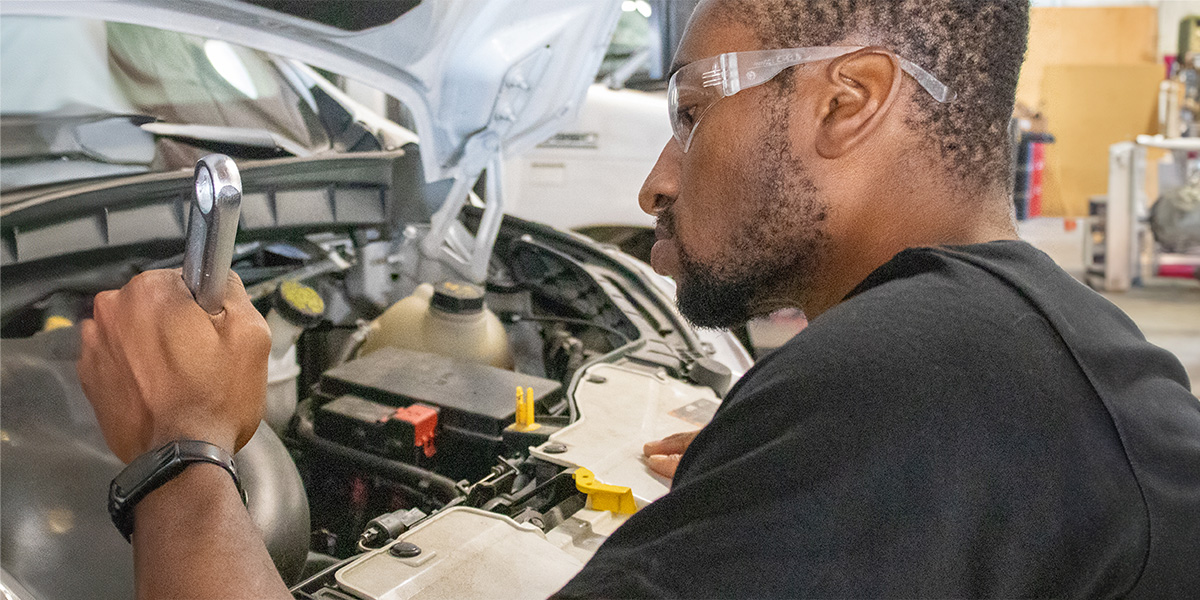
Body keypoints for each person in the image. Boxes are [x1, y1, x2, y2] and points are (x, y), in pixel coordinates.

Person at [77, 0, 1200, 598]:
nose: (656, 180)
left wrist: (179, 452)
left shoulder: (919, 386)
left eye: (691, 111)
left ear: (850, 102)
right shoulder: (1012, 353)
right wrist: (766, 465)